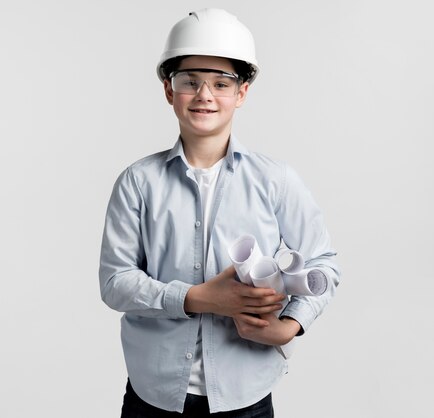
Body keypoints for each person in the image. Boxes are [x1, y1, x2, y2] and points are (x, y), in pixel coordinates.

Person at [99, 8, 340, 417]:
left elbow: (323, 265)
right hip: (153, 396)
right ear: (168, 90)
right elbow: (115, 282)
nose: (204, 95)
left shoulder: (276, 180)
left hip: (245, 396)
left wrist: (290, 326)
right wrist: (198, 299)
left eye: (221, 83)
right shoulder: (138, 181)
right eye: (189, 81)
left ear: (242, 93)